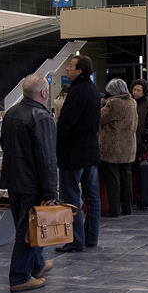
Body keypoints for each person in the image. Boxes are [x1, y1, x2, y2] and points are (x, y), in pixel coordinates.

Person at [0, 74, 58, 292]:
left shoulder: (12, 113)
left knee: (26, 225)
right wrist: (51, 189)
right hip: (32, 182)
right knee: (28, 230)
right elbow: (46, 157)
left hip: (13, 180)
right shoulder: (41, 117)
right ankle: (19, 277)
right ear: (43, 93)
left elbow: (3, 143)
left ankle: (37, 264)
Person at [55, 55, 101, 252]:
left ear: (80, 71)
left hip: (74, 153)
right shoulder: (93, 89)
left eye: (71, 66)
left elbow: (66, 122)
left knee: (71, 197)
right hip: (90, 151)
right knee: (92, 197)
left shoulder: (77, 90)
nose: (67, 69)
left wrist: (56, 142)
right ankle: (91, 237)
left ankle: (75, 240)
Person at [99, 78, 137, 217]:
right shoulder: (132, 102)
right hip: (128, 146)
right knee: (126, 179)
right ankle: (127, 208)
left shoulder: (113, 103)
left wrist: (103, 102)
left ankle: (114, 209)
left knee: (113, 179)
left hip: (112, 147)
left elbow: (100, 118)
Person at [131, 79, 148, 163]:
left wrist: (147, 136)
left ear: (144, 92)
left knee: (144, 168)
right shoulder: (130, 103)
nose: (135, 92)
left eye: (138, 90)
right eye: (134, 90)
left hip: (144, 144)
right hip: (131, 144)